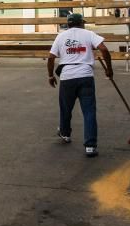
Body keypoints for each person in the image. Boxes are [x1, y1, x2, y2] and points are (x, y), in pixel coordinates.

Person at [47, 13, 113, 157]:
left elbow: (51, 57)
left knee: (66, 108)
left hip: (67, 77)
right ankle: (90, 146)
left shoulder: (60, 36)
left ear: (69, 24)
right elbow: (104, 49)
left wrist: (51, 75)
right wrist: (109, 69)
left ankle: (65, 134)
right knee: (89, 112)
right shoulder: (89, 34)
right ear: (81, 23)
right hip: (85, 76)